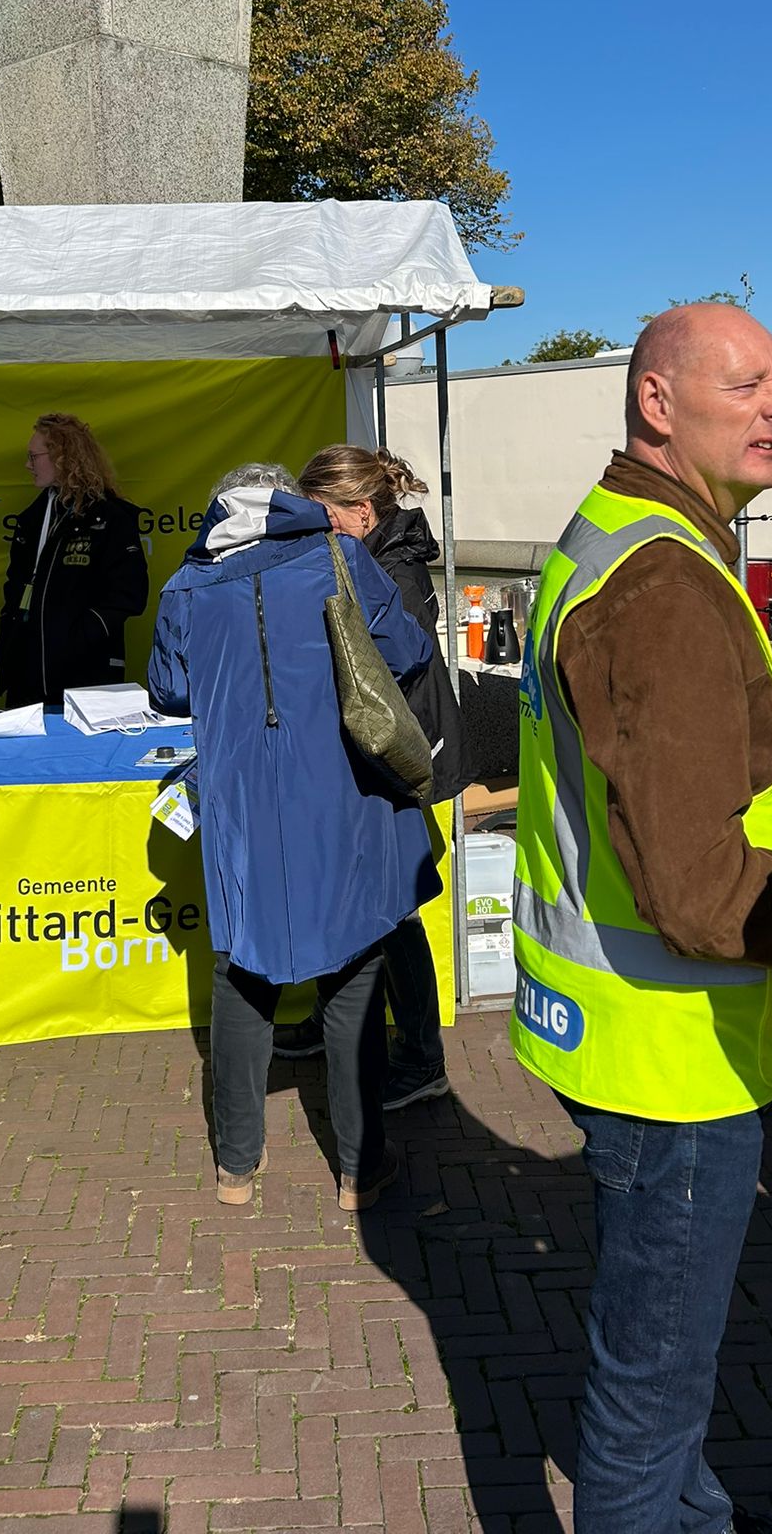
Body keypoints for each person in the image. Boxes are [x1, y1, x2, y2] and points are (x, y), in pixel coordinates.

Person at [510, 304, 772, 1534]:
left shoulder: (612, 533)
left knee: (663, 1403)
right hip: (675, 1060)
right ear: (657, 400)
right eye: (750, 383)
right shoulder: (665, 581)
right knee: (645, 1405)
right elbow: (695, 894)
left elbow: (651, 806)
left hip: (617, 1029)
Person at [148, 462, 436, 1212]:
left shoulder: (186, 585)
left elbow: (169, 691)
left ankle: (236, 1166)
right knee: (353, 974)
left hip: (240, 796)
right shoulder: (335, 558)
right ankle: (359, 1170)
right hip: (337, 790)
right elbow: (405, 654)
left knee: (242, 973)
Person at [273, 445, 471, 1110]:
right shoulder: (364, 553)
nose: (312, 530)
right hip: (371, 754)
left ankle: (421, 1057)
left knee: (392, 911)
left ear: (361, 512)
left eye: (321, 516)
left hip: (394, 759)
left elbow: (386, 672)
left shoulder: (395, 569)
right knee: (355, 901)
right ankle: (339, 1025)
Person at [0, 413, 148, 710]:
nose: (28, 465)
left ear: (63, 457)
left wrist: (80, 637)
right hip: (26, 674)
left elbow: (130, 595)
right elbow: (15, 587)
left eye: (33, 456)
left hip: (86, 675)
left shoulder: (110, 518)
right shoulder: (30, 519)